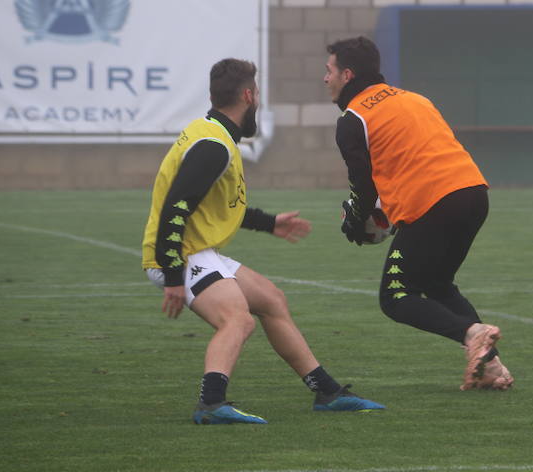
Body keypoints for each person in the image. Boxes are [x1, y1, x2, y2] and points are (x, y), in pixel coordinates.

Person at [142, 58, 384, 424]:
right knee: (237, 319)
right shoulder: (214, 145)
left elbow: (220, 205)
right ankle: (211, 404)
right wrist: (173, 277)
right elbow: (175, 208)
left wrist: (268, 223)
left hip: (195, 251)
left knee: (271, 299)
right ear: (248, 95)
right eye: (256, 95)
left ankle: (327, 392)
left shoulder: (214, 135)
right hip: (181, 254)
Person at [323, 36, 513, 391]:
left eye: (329, 70)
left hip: (433, 203)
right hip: (473, 193)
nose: (325, 78)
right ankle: (491, 368)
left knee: (394, 297)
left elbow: (362, 187)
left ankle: (473, 332)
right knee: (436, 284)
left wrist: (355, 221)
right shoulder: (414, 98)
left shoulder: (353, 119)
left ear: (347, 74)